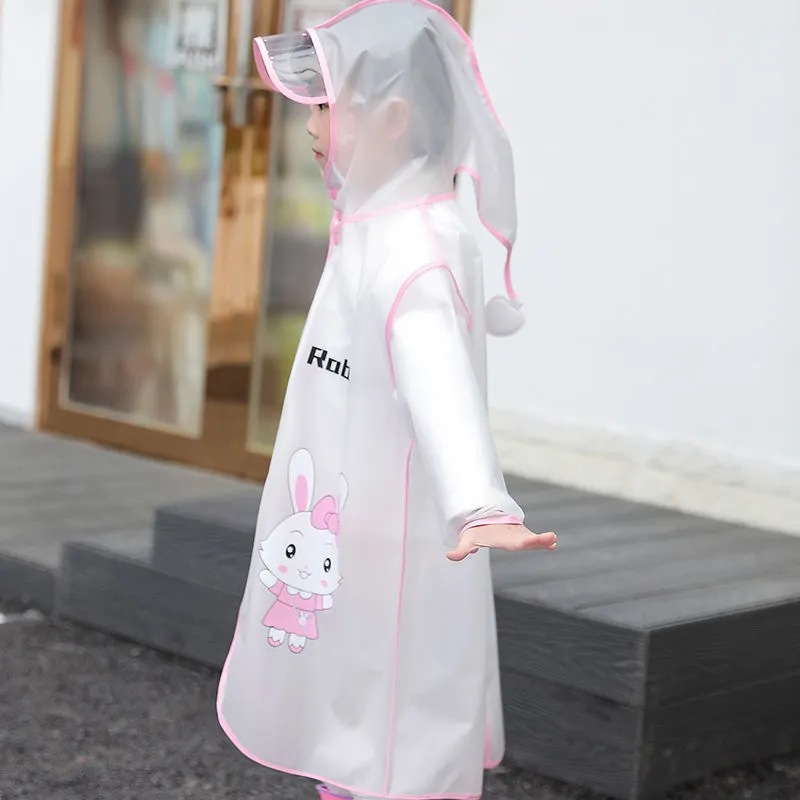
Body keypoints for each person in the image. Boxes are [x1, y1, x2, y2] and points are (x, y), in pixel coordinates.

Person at [217, 2, 557, 799]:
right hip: (354, 514)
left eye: (325, 106)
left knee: (390, 709)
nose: (309, 125)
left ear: (393, 116)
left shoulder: (413, 247)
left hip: (392, 533)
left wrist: (476, 502)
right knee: (355, 690)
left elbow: (439, 378)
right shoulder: (374, 222)